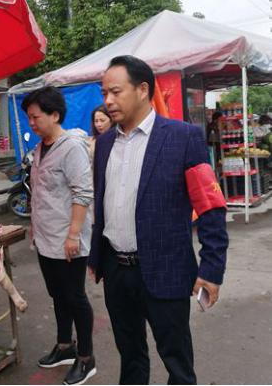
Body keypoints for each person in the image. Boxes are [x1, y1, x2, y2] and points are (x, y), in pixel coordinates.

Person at [88, 56, 229, 385]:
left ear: (142, 90)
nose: (108, 100)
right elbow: (103, 202)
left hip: (166, 269)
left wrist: (211, 268)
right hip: (117, 271)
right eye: (104, 93)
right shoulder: (105, 143)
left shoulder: (183, 137)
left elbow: (210, 207)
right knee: (130, 355)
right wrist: (96, 256)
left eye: (116, 91)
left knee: (177, 361)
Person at [23, 87, 96, 386]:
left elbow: (83, 193)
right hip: (45, 237)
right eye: (29, 118)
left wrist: (74, 235)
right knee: (58, 295)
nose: (31, 123)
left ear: (55, 115)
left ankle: (86, 358)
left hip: (68, 238)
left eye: (36, 117)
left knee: (75, 297)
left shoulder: (71, 147)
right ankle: (65, 346)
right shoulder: (41, 148)